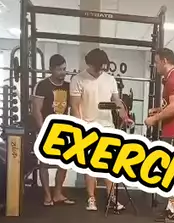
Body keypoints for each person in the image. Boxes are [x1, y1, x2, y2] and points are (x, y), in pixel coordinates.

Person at [70, 48, 133, 212]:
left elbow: (117, 101)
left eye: (102, 67)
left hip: (107, 126)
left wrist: (125, 117)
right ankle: (91, 198)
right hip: (88, 126)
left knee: (109, 164)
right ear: (89, 64)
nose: (100, 70)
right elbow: (75, 106)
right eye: (97, 67)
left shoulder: (110, 80)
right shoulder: (78, 79)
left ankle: (112, 198)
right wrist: (80, 127)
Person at [144, 48, 174, 220]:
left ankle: (173, 207)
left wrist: (154, 119)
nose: (156, 65)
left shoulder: (173, 79)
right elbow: (172, 105)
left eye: (157, 62)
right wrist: (158, 110)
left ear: (164, 61)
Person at [31, 54, 75, 206]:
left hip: (63, 130)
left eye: (64, 69)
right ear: (51, 69)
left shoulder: (69, 86)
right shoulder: (42, 85)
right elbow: (36, 110)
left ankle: (57, 193)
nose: (63, 72)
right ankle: (47, 195)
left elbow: (73, 108)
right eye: (59, 69)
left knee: (64, 163)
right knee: (44, 164)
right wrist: (43, 131)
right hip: (46, 129)